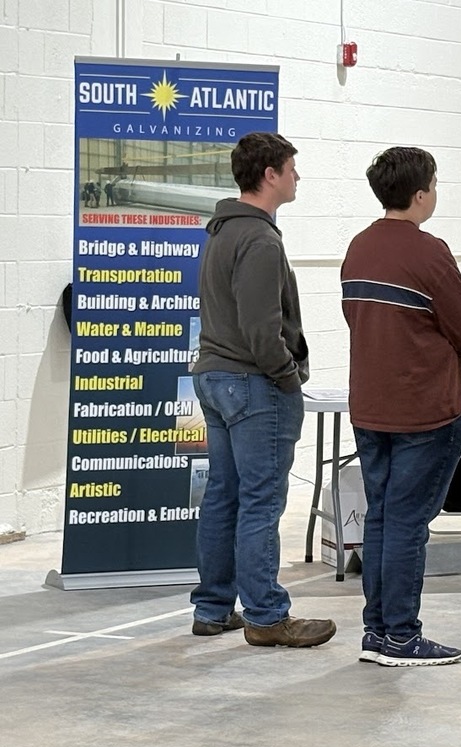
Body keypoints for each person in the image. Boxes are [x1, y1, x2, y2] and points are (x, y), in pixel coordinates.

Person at [190, 132, 336, 648]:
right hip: (251, 384)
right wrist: (287, 376)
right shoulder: (259, 238)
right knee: (258, 503)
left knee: (224, 498)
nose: (298, 177)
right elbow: (261, 328)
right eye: (293, 169)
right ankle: (267, 616)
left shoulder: (222, 231)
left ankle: (212, 608)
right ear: (270, 174)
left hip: (215, 378)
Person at [341, 147, 461, 667]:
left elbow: (355, 318)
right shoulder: (430, 252)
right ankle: (401, 634)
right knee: (407, 523)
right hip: (424, 408)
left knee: (381, 518)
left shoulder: (358, 247)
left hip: (370, 406)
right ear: (421, 194)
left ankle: (377, 630)